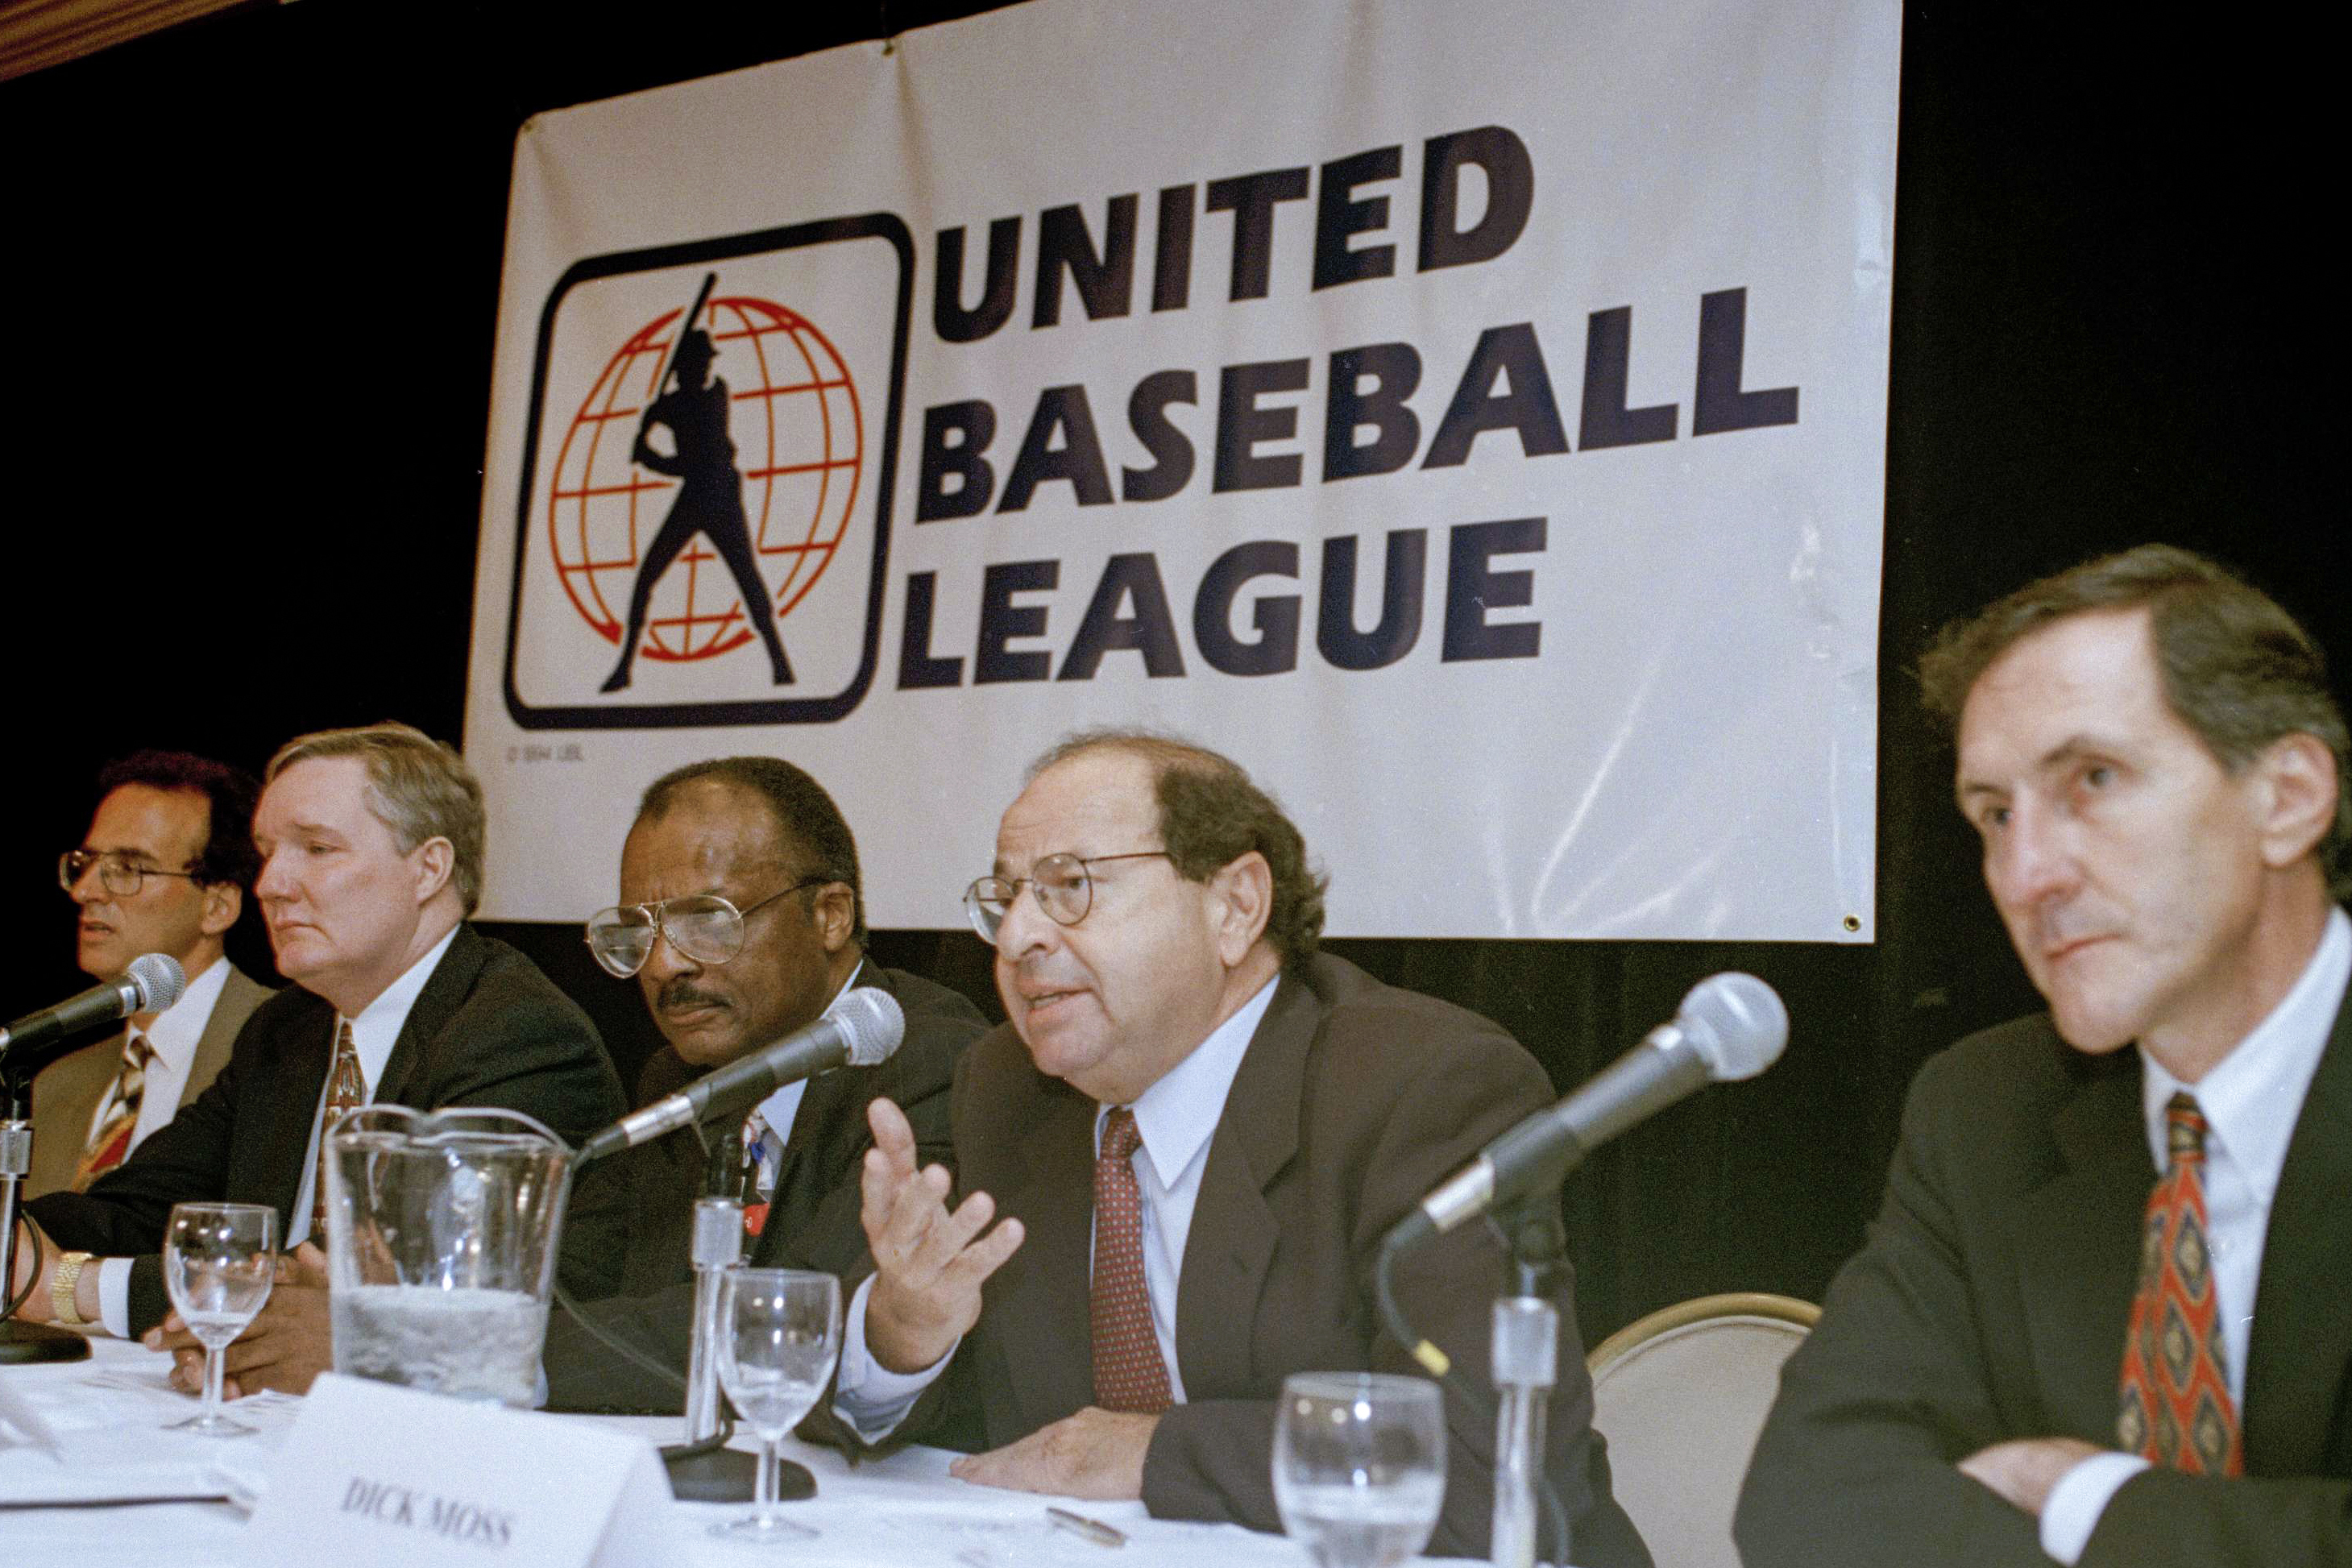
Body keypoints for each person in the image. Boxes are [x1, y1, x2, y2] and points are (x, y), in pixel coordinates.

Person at [822, 730, 1650, 1565]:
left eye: (1069, 886)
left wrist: (1150, 1452)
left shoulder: (1421, 1087)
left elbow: (1484, 1470)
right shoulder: (1007, 1087)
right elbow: (910, 1409)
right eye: (1007, 898)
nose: (1017, 938)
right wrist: (902, 1329)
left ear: (1234, 905)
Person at [1736, 545, 2352, 1567]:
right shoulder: (1988, 1107)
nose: (2025, 875)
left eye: (2094, 779)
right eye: (1995, 813)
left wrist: (2084, 1497)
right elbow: (1809, 1498)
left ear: (2287, 796)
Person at [8, 722, 627, 1396]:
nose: (272, 883)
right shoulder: (289, 1027)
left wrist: (72, 1286)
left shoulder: (514, 1032)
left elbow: (401, 1292)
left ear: (429, 867)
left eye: (317, 849)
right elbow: (142, 1205)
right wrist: (18, 1230)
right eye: (269, 852)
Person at [540, 756, 985, 1410]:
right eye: (640, 931)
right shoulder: (676, 1077)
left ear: (830, 915)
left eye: (708, 922)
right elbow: (578, 1288)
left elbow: (800, 1323)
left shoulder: (932, 1064)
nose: (665, 965)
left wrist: (504, 1352)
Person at [24, 752, 272, 1199]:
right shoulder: (58, 1085)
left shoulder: (283, 1047)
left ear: (217, 907)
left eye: (129, 868)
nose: (85, 892)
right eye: (87, 864)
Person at [598, 324, 794, 694]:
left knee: (746, 575)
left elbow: (692, 464)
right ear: (683, 367)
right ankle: (624, 667)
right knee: (647, 578)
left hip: (718, 494)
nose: (703, 369)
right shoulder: (672, 405)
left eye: (705, 362)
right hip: (695, 496)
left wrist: (650, 457)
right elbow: (670, 429)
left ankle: (780, 663)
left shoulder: (713, 397)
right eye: (697, 363)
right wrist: (648, 427)